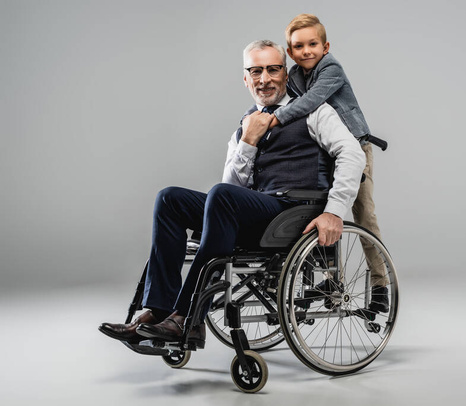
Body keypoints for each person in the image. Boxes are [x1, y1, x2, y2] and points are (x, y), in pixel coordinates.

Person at [98, 39, 365, 345]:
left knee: (222, 196)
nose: (263, 79)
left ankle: (186, 317)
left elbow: (353, 154)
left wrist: (333, 211)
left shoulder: (315, 111)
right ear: (245, 78)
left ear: (286, 74)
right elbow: (230, 186)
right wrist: (248, 141)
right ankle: (158, 311)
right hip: (255, 210)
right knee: (170, 198)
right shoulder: (244, 124)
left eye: (272, 69)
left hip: (293, 211)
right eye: (255, 71)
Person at [270, 14, 389, 312]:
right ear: (290, 52)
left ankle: (380, 287)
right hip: (322, 149)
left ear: (325, 46)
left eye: (313, 44)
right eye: (299, 46)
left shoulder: (331, 68)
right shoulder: (294, 75)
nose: (306, 51)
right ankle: (329, 279)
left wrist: (274, 119)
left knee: (364, 216)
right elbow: (286, 100)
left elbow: (311, 103)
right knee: (319, 209)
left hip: (355, 148)